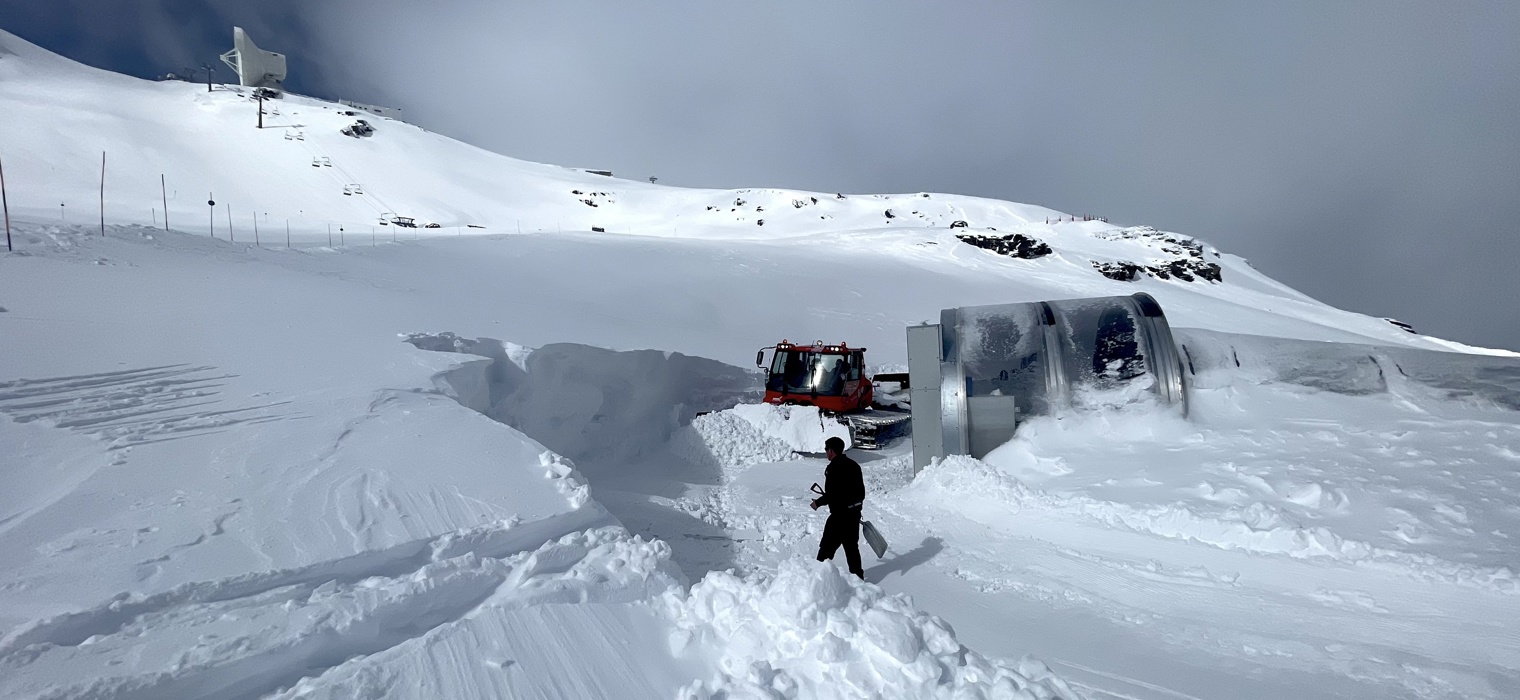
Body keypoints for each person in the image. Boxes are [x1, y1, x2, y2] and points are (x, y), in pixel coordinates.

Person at [811, 436, 865, 578]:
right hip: (853, 514)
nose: (826, 453)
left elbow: (832, 494)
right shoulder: (854, 465)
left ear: (831, 451)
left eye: (826, 449)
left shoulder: (833, 468)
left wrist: (817, 503)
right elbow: (861, 493)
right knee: (851, 547)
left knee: (826, 547)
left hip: (839, 517)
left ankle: (817, 577)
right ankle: (858, 578)